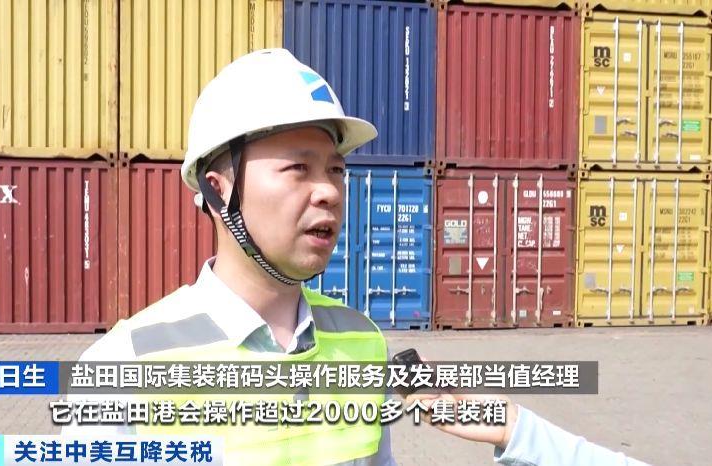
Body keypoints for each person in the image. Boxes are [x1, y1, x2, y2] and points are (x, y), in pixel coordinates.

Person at [63, 48, 648, 466]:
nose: (329, 191)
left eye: (336, 170)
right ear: (219, 191)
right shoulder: (124, 364)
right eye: (298, 168)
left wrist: (510, 429)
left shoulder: (362, 342)